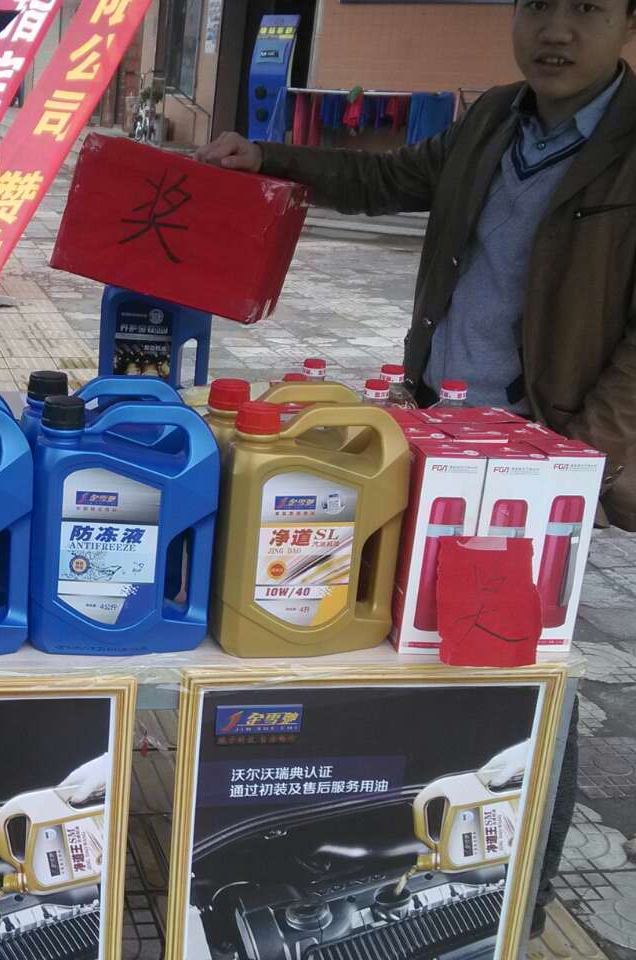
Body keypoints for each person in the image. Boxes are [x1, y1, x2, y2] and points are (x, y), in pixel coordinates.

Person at [195, 0, 636, 934]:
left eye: (587, 8)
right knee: (419, 640)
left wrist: (580, 464)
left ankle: (514, 897)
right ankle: (406, 860)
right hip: (438, 433)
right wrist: (265, 156)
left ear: (626, 21)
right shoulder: (493, 119)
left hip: (537, 460)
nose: (556, 31)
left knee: (519, 666)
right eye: (538, 6)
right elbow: (387, 177)